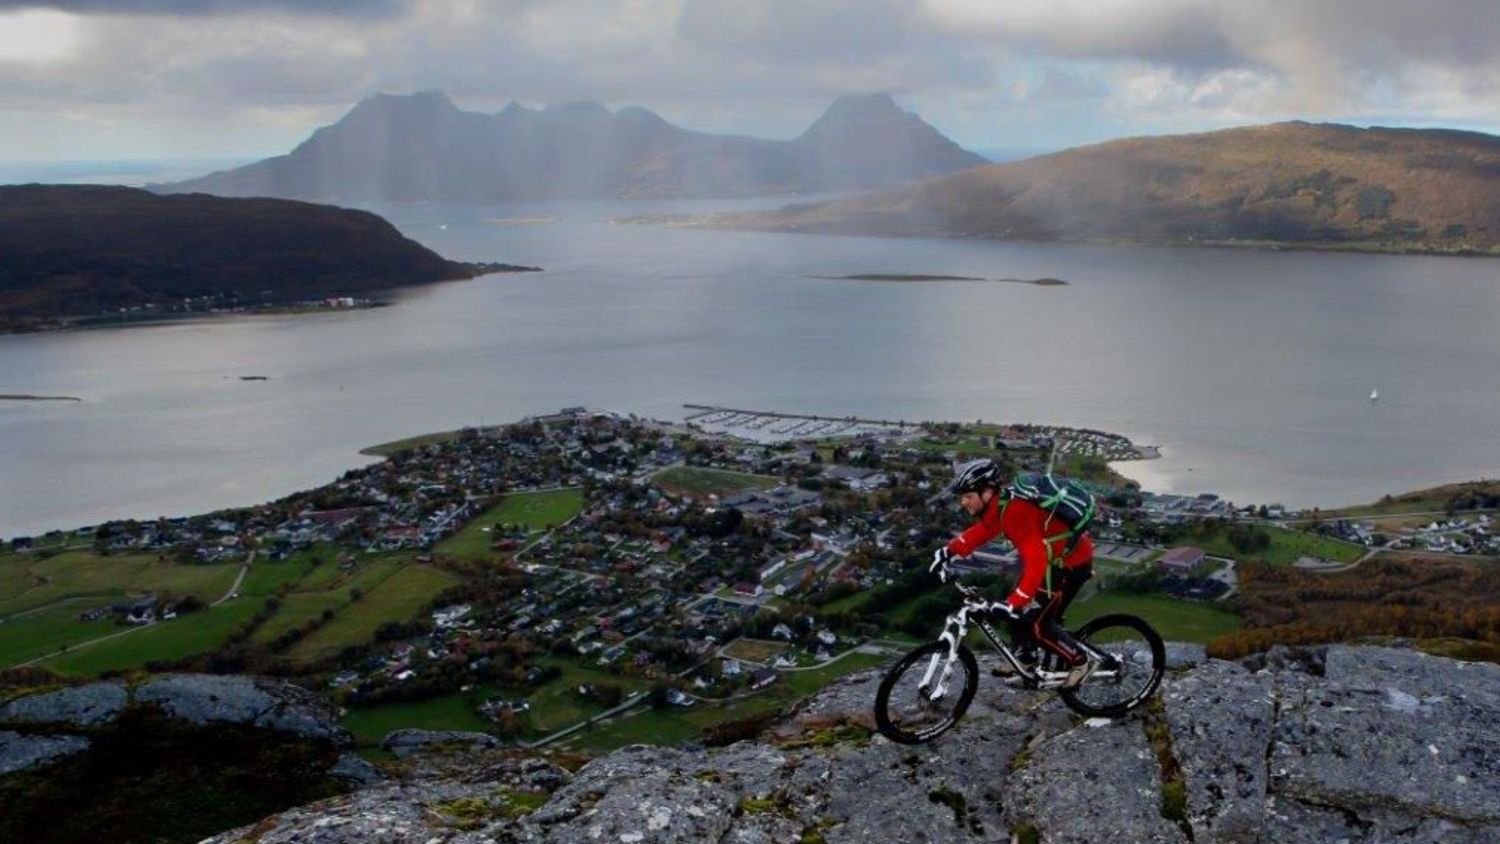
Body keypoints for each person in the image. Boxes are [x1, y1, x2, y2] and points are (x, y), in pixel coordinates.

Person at [929, 459, 1097, 688]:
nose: (963, 502)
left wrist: (1016, 602)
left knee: (1037, 622)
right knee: (1014, 606)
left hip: (1069, 564)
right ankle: (1026, 658)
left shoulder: (1014, 512)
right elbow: (984, 530)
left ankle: (1080, 661)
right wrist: (948, 551)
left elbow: (1036, 559)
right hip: (1052, 561)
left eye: (968, 496)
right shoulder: (1001, 505)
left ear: (986, 492)